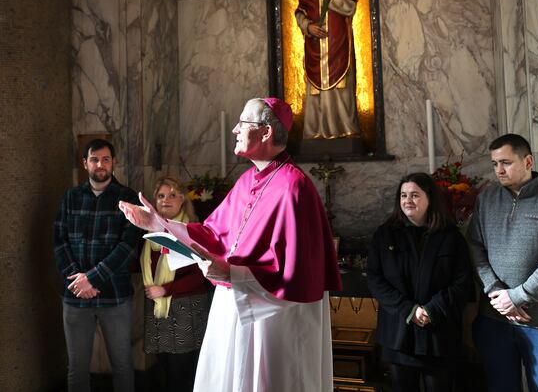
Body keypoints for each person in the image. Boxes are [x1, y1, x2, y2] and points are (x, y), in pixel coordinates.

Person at [120, 97, 342, 392]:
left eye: (243, 123)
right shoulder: (247, 179)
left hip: (274, 316)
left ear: (265, 132)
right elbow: (213, 233)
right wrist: (159, 224)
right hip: (233, 305)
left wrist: (232, 274)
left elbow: (296, 273)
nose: (235, 129)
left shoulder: (293, 186)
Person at [467, 134, 538, 392]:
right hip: (494, 317)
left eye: (505, 162)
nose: (499, 170)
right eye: (495, 164)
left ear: (528, 161)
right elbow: (474, 246)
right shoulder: (486, 200)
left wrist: (519, 295)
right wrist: (496, 291)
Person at [367, 172, 474, 392]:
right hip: (399, 336)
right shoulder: (385, 235)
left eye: (415, 195)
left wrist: (431, 310)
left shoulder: (451, 236)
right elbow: (376, 280)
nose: (408, 200)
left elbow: (462, 282)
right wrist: (410, 310)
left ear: (430, 198)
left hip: (439, 337)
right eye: (403, 195)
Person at [53, 139, 140, 392]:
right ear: (85, 163)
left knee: (122, 364)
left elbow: (128, 246)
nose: (100, 165)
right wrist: (77, 279)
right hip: (75, 295)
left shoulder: (128, 197)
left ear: (113, 163)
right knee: (77, 368)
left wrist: (93, 278)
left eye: (105, 159)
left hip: (115, 295)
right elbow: (59, 242)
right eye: (94, 159)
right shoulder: (70, 197)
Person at [142, 176, 210, 391]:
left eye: (172, 195)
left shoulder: (191, 231)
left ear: (182, 200)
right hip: (159, 307)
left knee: (181, 371)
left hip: (185, 307)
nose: (165, 200)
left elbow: (200, 275)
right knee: (164, 365)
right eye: (160, 196)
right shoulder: (151, 232)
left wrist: (164, 289)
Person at [295, 0, 361, 140]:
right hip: (315, 47)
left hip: (337, 45)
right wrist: (308, 26)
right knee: (316, 90)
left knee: (340, 86)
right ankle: (315, 132)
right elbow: (299, 13)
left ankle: (344, 129)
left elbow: (350, 8)